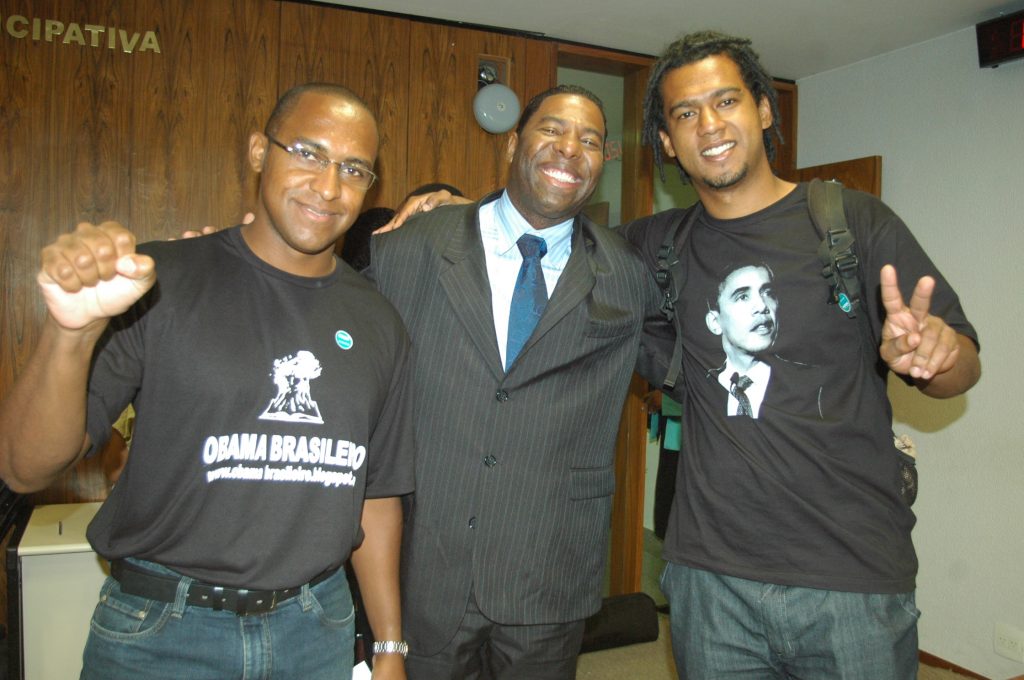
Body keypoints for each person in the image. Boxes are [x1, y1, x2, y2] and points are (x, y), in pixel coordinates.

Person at [0, 82, 414, 680]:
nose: (329, 186)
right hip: (160, 633)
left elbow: (375, 495)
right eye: (308, 153)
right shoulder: (159, 281)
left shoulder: (379, 321)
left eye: (354, 169)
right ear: (258, 151)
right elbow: (24, 469)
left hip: (315, 632)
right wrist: (71, 333)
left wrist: (390, 647)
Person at [617, 31, 981, 679]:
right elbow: (554, 245)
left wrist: (939, 355)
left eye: (726, 101)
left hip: (852, 582)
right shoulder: (656, 244)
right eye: (686, 113)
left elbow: (961, 369)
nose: (709, 124)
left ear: (763, 109)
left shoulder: (852, 221)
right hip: (711, 581)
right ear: (668, 142)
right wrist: (453, 210)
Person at [368, 84, 661, 679]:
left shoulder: (626, 273)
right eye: (552, 129)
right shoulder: (411, 246)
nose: (570, 148)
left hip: (548, 569)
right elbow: (332, 332)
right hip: (429, 565)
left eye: (590, 141)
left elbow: (693, 356)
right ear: (512, 144)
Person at [704, 261, 778, 418]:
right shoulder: (703, 385)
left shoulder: (807, 383)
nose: (762, 306)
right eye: (743, 296)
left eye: (767, 293)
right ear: (715, 322)